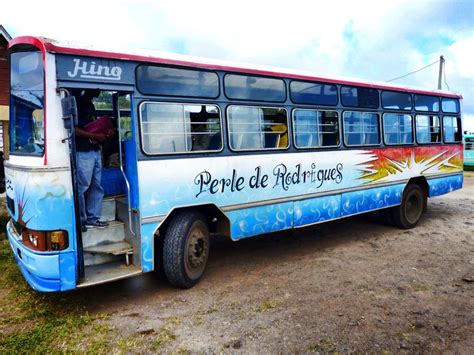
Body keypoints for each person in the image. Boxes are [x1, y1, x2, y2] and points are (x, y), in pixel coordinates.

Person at [74, 89, 113, 232]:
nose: (100, 90)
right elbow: (73, 129)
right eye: (97, 88)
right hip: (83, 151)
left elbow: (91, 127)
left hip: (95, 149)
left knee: (97, 186)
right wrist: (94, 135)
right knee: (82, 186)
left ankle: (93, 219)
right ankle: (81, 221)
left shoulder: (90, 104)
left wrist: (104, 133)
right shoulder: (76, 102)